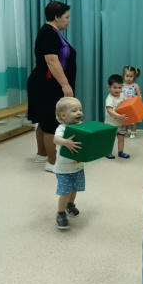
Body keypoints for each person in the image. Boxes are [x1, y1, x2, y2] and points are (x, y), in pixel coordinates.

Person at [27, 1, 77, 173]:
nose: (68, 20)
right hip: (47, 85)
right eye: (66, 17)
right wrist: (65, 85)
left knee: (44, 121)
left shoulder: (51, 32)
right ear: (56, 17)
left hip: (44, 83)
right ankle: (52, 162)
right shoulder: (49, 33)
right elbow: (52, 61)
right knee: (51, 123)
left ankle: (42, 154)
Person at [53, 97, 85, 230]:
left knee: (74, 189)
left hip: (78, 166)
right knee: (65, 192)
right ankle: (60, 213)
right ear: (63, 115)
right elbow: (56, 139)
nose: (79, 112)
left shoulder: (81, 126)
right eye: (74, 110)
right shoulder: (62, 128)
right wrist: (66, 142)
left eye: (80, 110)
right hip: (64, 169)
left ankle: (70, 205)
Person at [104, 74, 130, 159]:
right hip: (111, 124)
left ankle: (121, 152)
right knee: (110, 139)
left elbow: (126, 105)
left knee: (121, 138)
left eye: (119, 87)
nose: (117, 90)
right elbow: (110, 110)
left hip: (120, 123)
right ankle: (108, 152)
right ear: (109, 87)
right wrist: (120, 116)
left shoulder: (122, 96)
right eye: (114, 87)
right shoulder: (110, 98)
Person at [122, 65, 142, 138]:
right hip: (124, 106)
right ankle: (125, 131)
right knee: (125, 120)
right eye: (127, 76)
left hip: (133, 107)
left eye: (131, 76)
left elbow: (139, 96)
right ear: (123, 76)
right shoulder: (122, 85)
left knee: (133, 121)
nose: (128, 78)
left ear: (134, 77)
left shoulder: (135, 86)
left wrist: (139, 104)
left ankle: (133, 132)